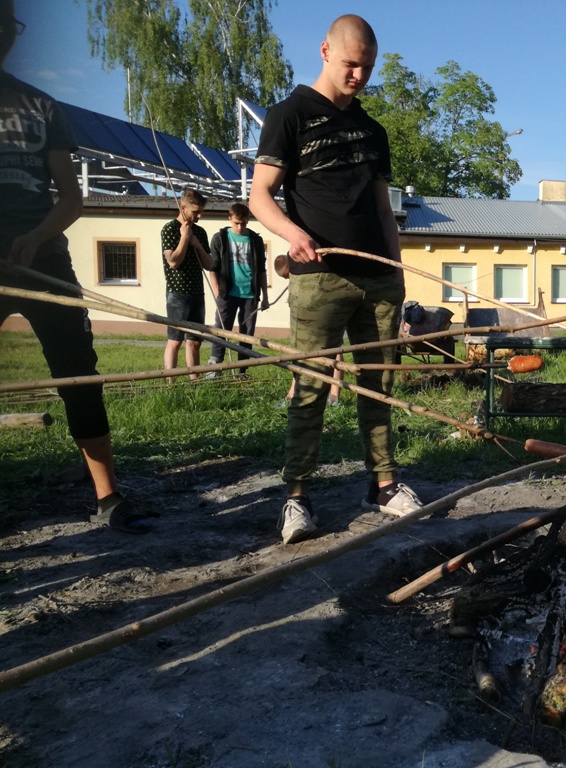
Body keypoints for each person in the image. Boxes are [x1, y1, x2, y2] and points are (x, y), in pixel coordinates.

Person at [249, 13, 422, 544]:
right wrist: (292, 234)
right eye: (350, 64)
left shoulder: (373, 130)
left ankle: (383, 485)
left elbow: (382, 209)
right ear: (325, 51)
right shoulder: (289, 115)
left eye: (367, 67)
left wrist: (397, 272)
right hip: (319, 278)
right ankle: (297, 497)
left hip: (378, 282)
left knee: (379, 386)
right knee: (310, 387)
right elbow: (260, 197)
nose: (358, 76)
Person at [0, 0, 152, 533]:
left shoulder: (40, 105)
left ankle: (108, 497)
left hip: (43, 259)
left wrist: (36, 236)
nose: (5, 35)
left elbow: (70, 196)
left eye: (10, 25)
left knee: (80, 374)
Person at [204, 202, 270, 377]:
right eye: (237, 223)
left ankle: (242, 370)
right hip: (227, 293)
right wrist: (217, 290)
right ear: (229, 219)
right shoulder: (220, 238)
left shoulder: (255, 240)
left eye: (244, 223)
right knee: (221, 329)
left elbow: (262, 270)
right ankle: (214, 368)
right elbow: (213, 267)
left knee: (247, 333)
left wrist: (265, 296)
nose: (240, 227)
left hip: (250, 294)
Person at [161, 187, 212, 382]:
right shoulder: (169, 229)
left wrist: (197, 245)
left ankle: (195, 381)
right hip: (177, 293)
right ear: (183, 208)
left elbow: (209, 264)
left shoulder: (200, 232)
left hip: (197, 292)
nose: (199, 216)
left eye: (201, 212)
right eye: (195, 212)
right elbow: (173, 262)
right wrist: (184, 238)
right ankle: (170, 383)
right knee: (175, 340)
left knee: (195, 341)